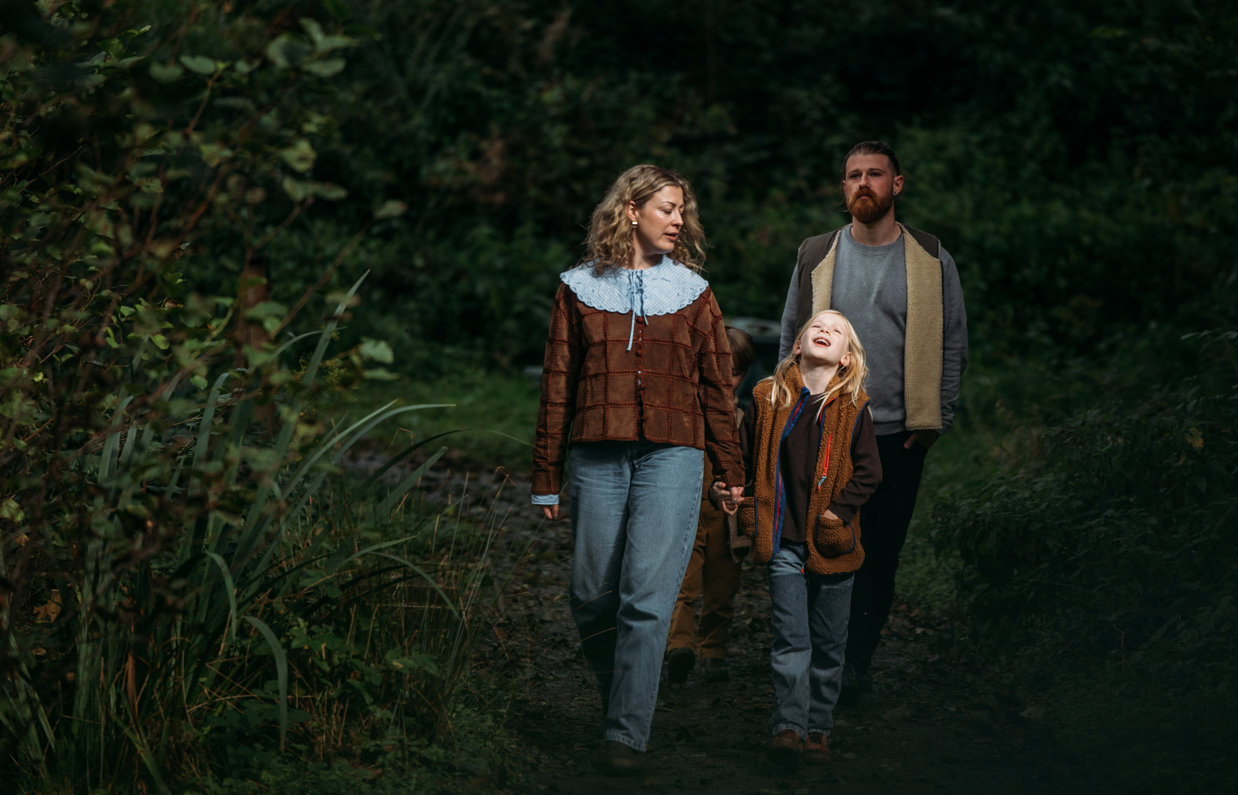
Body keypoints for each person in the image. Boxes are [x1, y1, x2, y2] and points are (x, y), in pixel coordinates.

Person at [531, 164, 746, 776]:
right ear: (630, 210)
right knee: (591, 595)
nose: (679, 221)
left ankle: (625, 734)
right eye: (668, 209)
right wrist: (545, 474)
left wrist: (730, 469)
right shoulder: (577, 290)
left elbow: (716, 385)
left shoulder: (694, 293)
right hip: (597, 450)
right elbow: (556, 386)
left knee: (647, 599)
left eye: (683, 211)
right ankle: (619, 697)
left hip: (676, 453)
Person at [777, 140, 968, 702]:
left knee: (880, 555)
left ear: (896, 185)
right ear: (843, 188)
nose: (864, 183)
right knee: (819, 546)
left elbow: (952, 342)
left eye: (875, 175)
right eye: (853, 176)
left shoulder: (932, 258)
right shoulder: (816, 253)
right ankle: (815, 661)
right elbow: (792, 331)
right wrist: (787, 410)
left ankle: (854, 664)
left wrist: (937, 417)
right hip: (823, 425)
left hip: (897, 434)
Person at [739, 309, 881, 765]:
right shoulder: (767, 398)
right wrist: (736, 496)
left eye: (836, 330)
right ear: (797, 345)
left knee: (828, 644)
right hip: (782, 542)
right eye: (816, 326)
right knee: (790, 640)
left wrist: (838, 513)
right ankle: (788, 725)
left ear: (845, 358)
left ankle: (818, 726)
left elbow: (869, 473)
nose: (825, 330)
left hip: (834, 545)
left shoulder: (853, 408)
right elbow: (742, 460)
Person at [666, 326, 756, 686]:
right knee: (682, 585)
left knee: (722, 588)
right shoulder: (685, 416)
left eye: (733, 374)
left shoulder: (746, 421)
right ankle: (680, 647)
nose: (724, 381)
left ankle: (713, 650)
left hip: (728, 522)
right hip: (687, 516)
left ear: (744, 375)